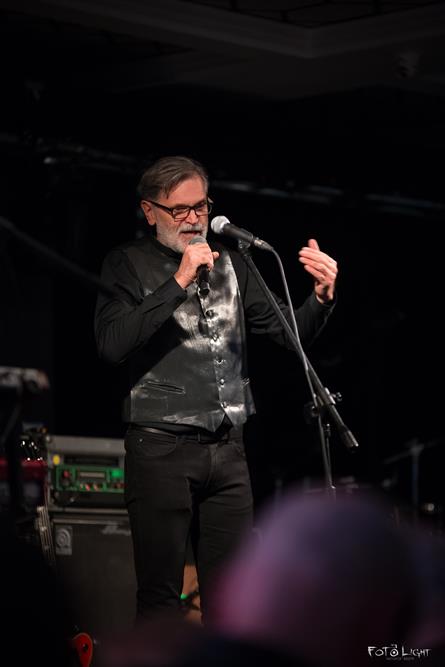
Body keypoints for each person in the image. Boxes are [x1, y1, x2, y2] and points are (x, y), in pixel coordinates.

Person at [94, 155, 338, 622]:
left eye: (201, 206)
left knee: (230, 600)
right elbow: (112, 345)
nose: (193, 219)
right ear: (149, 212)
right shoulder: (126, 263)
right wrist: (179, 280)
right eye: (179, 210)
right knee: (161, 599)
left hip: (228, 450)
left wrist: (321, 299)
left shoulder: (235, 262)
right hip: (160, 449)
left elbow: (289, 333)